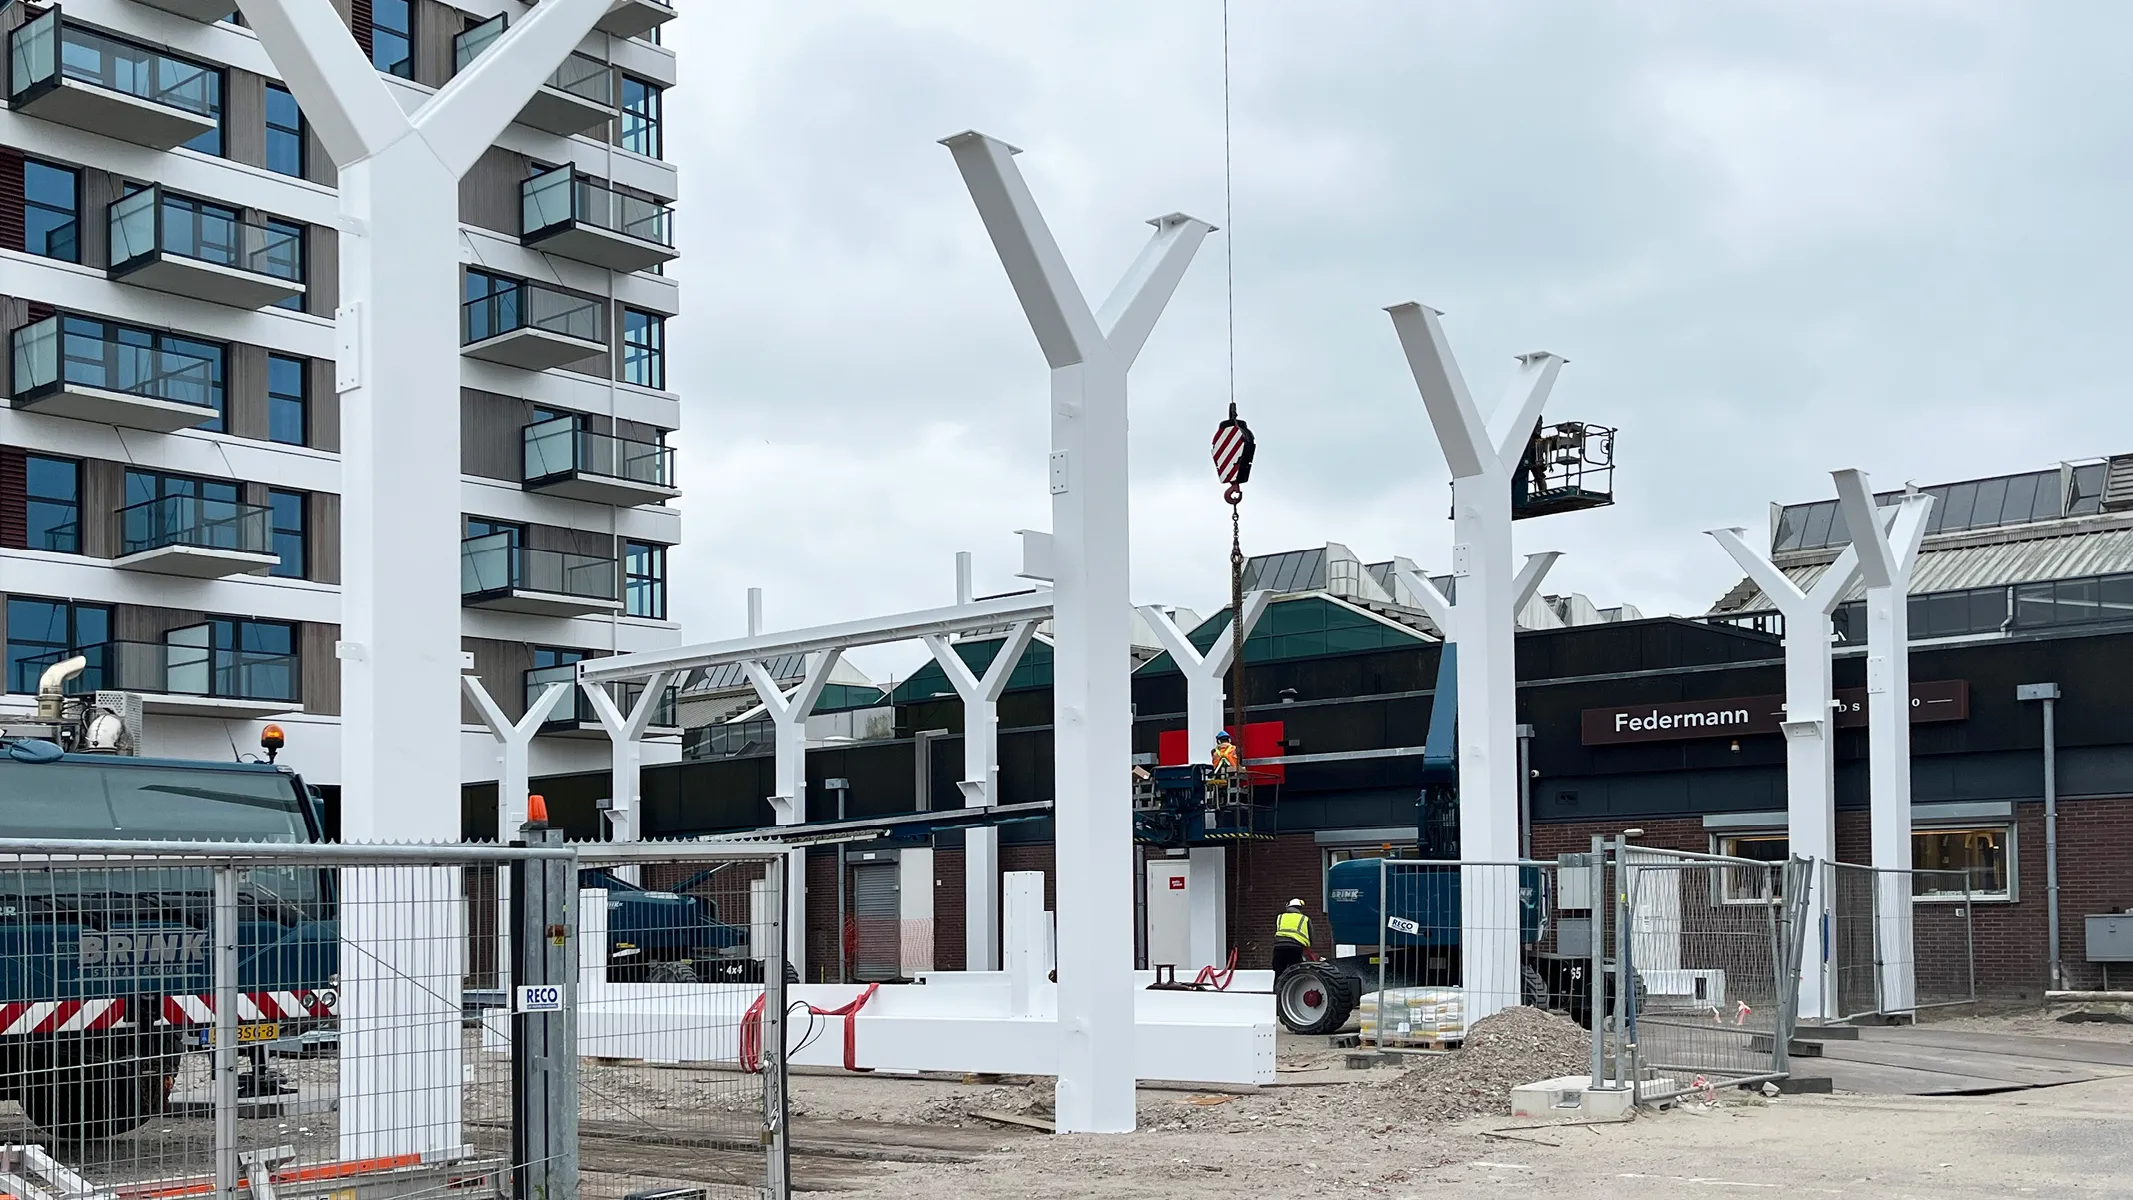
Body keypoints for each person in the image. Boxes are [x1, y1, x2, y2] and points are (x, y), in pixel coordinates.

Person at [1272, 899, 1312, 974]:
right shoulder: (1304, 918)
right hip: (1295, 948)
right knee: (1294, 972)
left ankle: (1278, 981)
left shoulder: (1280, 917)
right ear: (1300, 908)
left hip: (1279, 947)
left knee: (1279, 972)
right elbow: (1311, 935)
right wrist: (1309, 945)